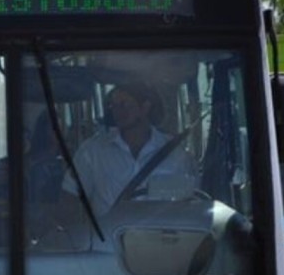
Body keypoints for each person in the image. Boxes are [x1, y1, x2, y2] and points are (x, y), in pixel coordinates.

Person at [62, 83, 198, 216]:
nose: (118, 111)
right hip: (109, 237)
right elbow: (69, 199)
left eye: (125, 104)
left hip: (160, 236)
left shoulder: (176, 154)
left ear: (145, 107)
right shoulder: (92, 151)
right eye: (113, 105)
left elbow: (189, 205)